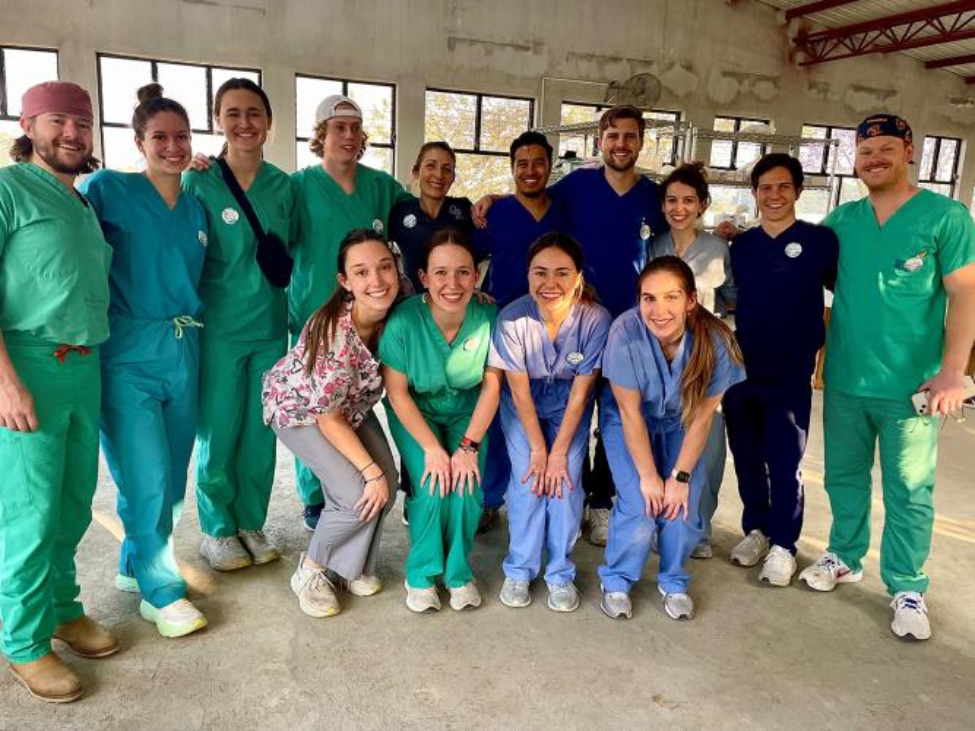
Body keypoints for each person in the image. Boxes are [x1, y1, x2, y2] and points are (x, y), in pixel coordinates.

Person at [799, 114, 975, 640]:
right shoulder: (841, 222)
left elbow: (965, 295)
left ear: (909, 150)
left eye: (885, 149)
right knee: (843, 477)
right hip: (847, 377)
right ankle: (844, 555)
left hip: (913, 386)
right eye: (865, 151)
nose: (874, 159)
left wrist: (952, 373)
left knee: (909, 488)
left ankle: (906, 585)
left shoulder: (946, 217)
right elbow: (806, 271)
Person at [475, 105, 668, 545]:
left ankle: (599, 502)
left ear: (641, 141)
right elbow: (532, 196)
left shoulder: (652, 198)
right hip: (566, 322)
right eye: (613, 135)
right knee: (553, 413)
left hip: (628, 327)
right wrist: (494, 199)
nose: (621, 144)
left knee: (615, 417)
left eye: (630, 136)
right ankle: (540, 495)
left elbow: (677, 222)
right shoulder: (577, 187)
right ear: (600, 140)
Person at [0, 81, 116, 703]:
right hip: (28, 363)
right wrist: (5, 381)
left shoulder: (82, 201)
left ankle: (63, 610)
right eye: (56, 121)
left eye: (81, 123)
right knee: (29, 511)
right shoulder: (7, 190)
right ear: (28, 124)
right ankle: (22, 640)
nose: (71, 133)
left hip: (83, 365)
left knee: (73, 502)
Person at [79, 84, 208, 637]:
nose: (173, 147)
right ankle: (163, 591)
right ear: (139, 142)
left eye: (181, 137)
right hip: (126, 352)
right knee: (145, 473)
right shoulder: (108, 188)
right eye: (161, 137)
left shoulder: (198, 205)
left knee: (172, 476)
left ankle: (135, 562)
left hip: (185, 347)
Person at [183, 78, 294, 571]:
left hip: (270, 326)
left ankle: (251, 521)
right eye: (233, 113)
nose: (244, 123)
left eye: (254, 113)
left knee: (260, 433)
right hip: (219, 327)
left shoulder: (283, 186)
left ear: (269, 122)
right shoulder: (199, 179)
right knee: (219, 430)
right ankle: (216, 528)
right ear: (217, 120)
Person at [597, 256, 745, 620]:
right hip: (630, 421)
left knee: (682, 501)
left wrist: (678, 478)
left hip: (684, 421)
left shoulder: (716, 341)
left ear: (691, 300)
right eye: (649, 298)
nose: (659, 310)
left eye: (671, 297)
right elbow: (630, 414)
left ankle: (674, 581)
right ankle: (616, 580)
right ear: (639, 301)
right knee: (640, 502)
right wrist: (649, 477)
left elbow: (702, 417)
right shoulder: (624, 332)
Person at [263, 229, 400, 618]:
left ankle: (348, 567)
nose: (376, 281)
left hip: (351, 406)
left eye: (384, 267)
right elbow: (328, 418)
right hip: (303, 411)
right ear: (345, 281)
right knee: (358, 489)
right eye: (361, 272)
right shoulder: (335, 337)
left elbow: (435, 300)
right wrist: (369, 471)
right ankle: (312, 569)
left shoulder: (397, 296)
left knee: (386, 485)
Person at [291, 94, 412, 529]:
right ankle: (316, 498)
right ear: (320, 135)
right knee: (319, 409)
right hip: (317, 322)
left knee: (357, 406)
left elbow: (424, 215)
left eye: (354, 128)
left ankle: (380, 481)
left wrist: (481, 203)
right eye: (337, 127)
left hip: (370, 323)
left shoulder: (381, 187)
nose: (347, 135)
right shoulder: (298, 186)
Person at [722, 154, 838, 587]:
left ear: (797, 191)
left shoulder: (821, 241)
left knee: (785, 458)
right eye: (765, 188)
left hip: (790, 371)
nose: (774, 195)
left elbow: (844, 288)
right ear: (755, 194)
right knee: (747, 454)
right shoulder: (742, 246)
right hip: (741, 366)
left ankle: (784, 544)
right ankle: (756, 529)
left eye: (783, 187)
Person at [380, 229, 501, 613]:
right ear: (424, 278)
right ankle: (421, 573)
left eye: (464, 273)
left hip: (468, 412)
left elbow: (492, 387)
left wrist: (467, 448)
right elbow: (396, 392)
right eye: (441, 273)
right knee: (433, 484)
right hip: (416, 412)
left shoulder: (488, 315)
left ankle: (458, 573)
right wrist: (432, 449)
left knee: (466, 487)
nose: (453, 284)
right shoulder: (403, 320)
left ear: (476, 277)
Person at [490, 233, 610, 612]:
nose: (550, 283)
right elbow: (519, 391)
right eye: (540, 273)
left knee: (565, 481)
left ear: (578, 276)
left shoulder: (595, 319)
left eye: (562, 273)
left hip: (569, 404)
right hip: (522, 403)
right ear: (528, 275)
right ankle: (520, 569)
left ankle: (560, 572)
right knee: (528, 477)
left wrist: (558, 453)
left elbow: (581, 392)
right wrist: (539, 450)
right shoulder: (512, 318)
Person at [473, 131, 567, 533]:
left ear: (550, 166)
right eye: (522, 164)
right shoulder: (496, 213)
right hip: (503, 327)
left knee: (553, 413)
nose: (530, 171)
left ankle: (552, 492)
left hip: (555, 328)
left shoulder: (566, 209)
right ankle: (491, 499)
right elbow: (470, 257)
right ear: (512, 168)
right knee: (496, 415)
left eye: (538, 162)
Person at [649, 162, 735, 559]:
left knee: (708, 446)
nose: (679, 208)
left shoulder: (718, 249)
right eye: (671, 200)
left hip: (702, 357)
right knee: (660, 442)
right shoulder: (653, 246)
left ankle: (698, 529)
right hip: (659, 357)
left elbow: (732, 298)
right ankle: (659, 522)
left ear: (701, 205)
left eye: (687, 200)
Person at [389, 141, 473, 293]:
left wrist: (492, 198)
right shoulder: (400, 213)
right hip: (413, 303)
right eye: (431, 166)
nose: (439, 175)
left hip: (453, 298)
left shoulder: (464, 209)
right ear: (416, 172)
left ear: (453, 177)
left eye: (447, 169)